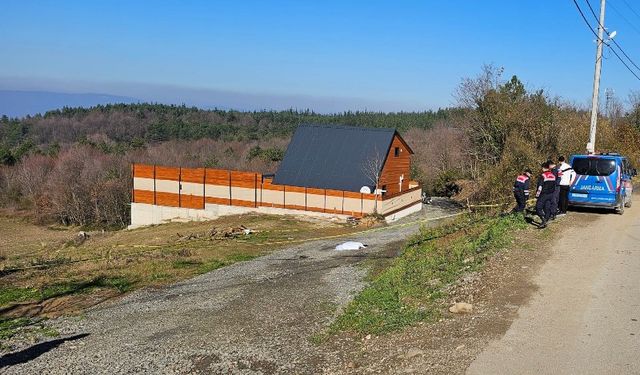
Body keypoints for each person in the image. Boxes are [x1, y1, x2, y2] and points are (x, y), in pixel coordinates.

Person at [536, 161, 557, 229]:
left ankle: (543, 221)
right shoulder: (553, 176)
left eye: (542, 168)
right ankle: (546, 220)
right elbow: (554, 186)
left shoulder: (543, 176)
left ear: (544, 168)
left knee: (538, 207)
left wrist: (537, 196)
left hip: (543, 194)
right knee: (547, 208)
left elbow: (540, 187)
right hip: (551, 194)